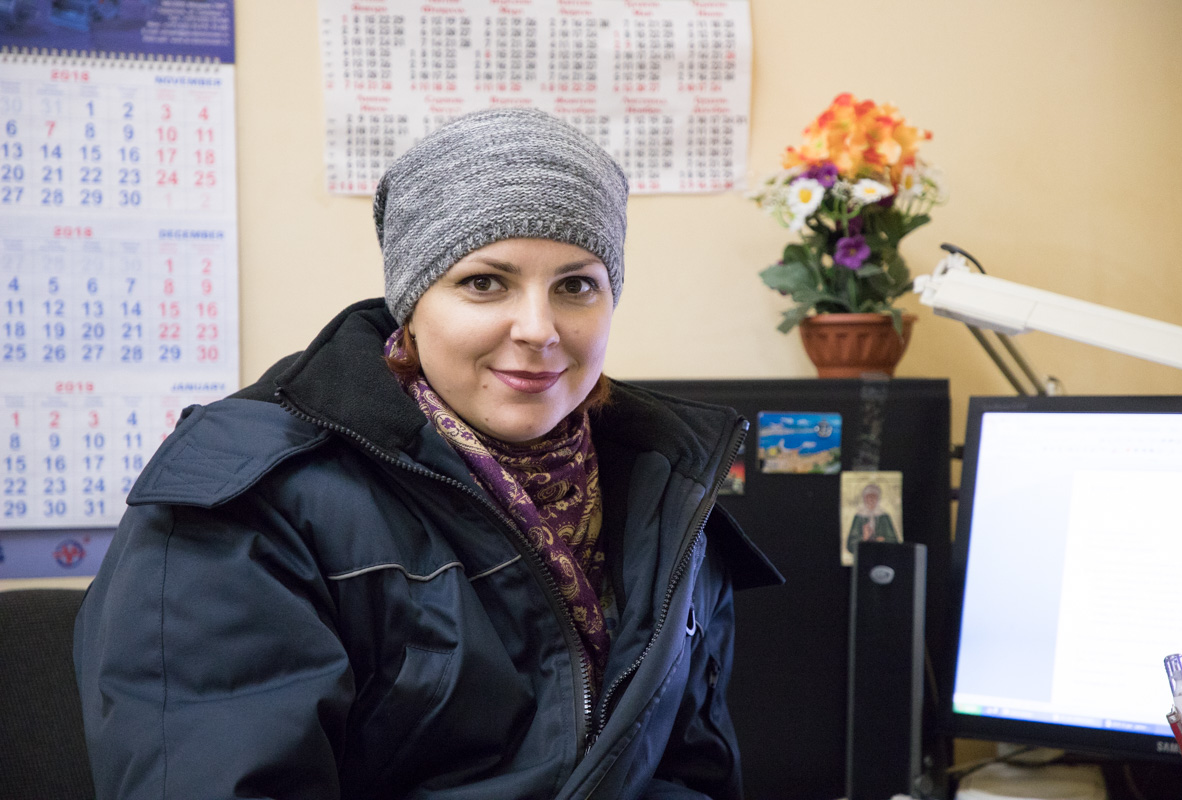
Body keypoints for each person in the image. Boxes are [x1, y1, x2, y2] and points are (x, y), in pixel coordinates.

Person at [74, 108, 781, 800]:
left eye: (576, 286)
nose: (538, 329)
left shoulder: (666, 491)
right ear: (412, 305)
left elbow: (691, 772)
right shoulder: (246, 505)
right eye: (485, 283)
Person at [845, 482, 899, 557]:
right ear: (864, 499)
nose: (871, 500)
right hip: (863, 556)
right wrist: (863, 538)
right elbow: (850, 546)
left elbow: (894, 541)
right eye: (868, 497)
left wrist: (883, 539)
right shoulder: (859, 516)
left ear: (878, 499)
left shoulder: (884, 516)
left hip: (882, 555)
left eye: (874, 497)